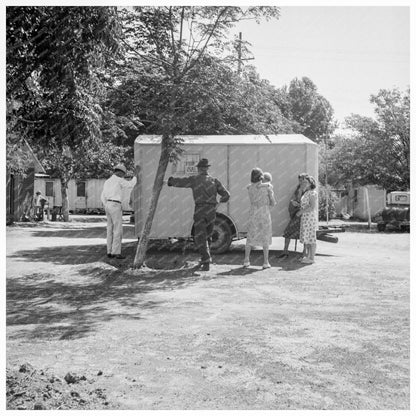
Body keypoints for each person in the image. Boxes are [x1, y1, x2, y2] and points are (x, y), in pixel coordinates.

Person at [167, 158, 230, 271]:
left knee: (200, 237)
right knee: (208, 236)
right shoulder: (214, 180)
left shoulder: (194, 179)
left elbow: (181, 182)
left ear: (199, 169)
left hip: (200, 210)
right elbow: (226, 195)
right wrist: (218, 204)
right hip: (211, 211)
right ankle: (205, 260)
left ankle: (206, 259)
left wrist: (170, 181)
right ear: (207, 169)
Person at [101, 164, 139, 259]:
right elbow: (130, 185)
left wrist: (106, 205)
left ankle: (109, 251)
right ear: (119, 172)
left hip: (108, 205)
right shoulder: (119, 180)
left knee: (109, 229)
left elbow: (102, 196)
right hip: (115, 204)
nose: (123, 176)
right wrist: (136, 175)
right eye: (123, 174)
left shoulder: (107, 181)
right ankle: (116, 253)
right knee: (117, 230)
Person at [244, 167, 276, 269]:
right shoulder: (267, 187)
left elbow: (253, 186)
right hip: (264, 213)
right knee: (265, 236)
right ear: (261, 177)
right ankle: (265, 262)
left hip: (253, 213)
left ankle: (246, 260)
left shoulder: (249, 187)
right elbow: (273, 202)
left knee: (250, 236)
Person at [278, 173, 308, 259]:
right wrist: (294, 202)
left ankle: (304, 252)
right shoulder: (298, 189)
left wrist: (298, 204)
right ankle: (285, 251)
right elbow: (294, 199)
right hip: (297, 214)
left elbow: (308, 204)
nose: (301, 182)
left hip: (304, 215)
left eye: (302, 180)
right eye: (300, 180)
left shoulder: (308, 191)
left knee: (305, 233)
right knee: (288, 232)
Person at [296, 175, 318, 264]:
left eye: (306, 182)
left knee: (311, 238)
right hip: (305, 217)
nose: (303, 183)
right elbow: (306, 205)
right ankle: (308, 257)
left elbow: (312, 207)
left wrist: (301, 212)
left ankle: (312, 258)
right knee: (307, 238)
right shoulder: (306, 192)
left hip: (310, 218)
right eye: (303, 182)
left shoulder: (312, 193)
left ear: (310, 183)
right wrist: (298, 205)